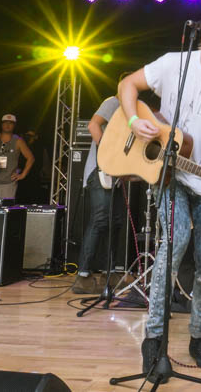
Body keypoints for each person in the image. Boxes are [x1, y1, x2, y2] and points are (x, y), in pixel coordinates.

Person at [119, 3, 201, 376]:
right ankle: (154, 339)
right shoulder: (174, 63)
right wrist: (133, 121)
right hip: (168, 175)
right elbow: (127, 85)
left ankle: (199, 336)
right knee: (174, 242)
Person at [71, 89, 126, 294]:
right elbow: (93, 124)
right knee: (100, 220)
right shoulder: (113, 102)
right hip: (100, 171)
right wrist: (107, 153)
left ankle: (108, 273)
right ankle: (83, 277)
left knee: (115, 222)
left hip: (116, 175)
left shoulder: (130, 112)